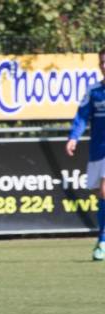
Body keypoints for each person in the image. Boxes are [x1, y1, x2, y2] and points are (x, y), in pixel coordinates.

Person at [65, 47, 105, 261]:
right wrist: (74, 137)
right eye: (102, 62)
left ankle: (103, 240)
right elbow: (82, 116)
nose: (104, 66)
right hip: (99, 151)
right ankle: (102, 240)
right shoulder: (94, 91)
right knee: (101, 195)